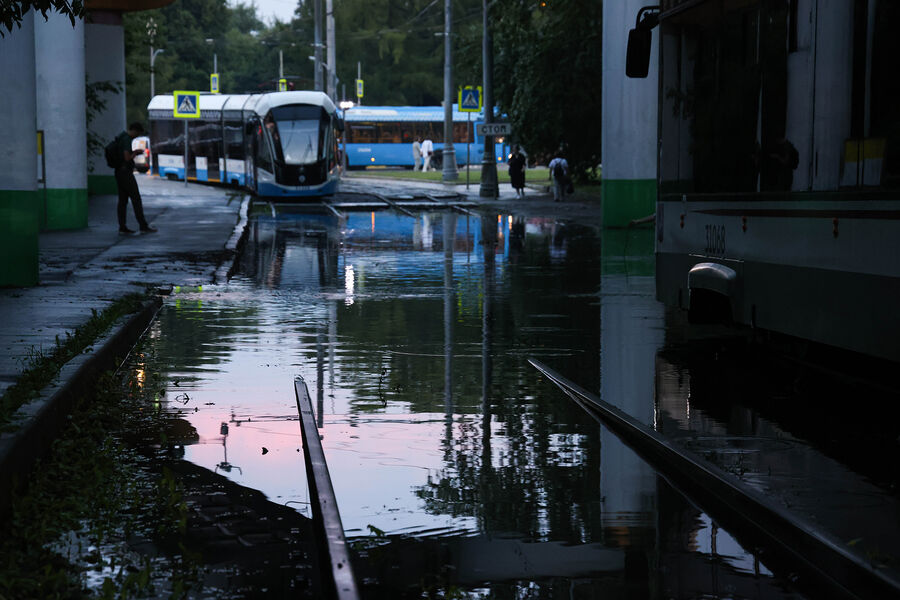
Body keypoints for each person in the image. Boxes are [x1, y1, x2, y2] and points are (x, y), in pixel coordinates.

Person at [110, 122, 156, 234]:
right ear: (135, 130)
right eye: (138, 133)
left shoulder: (120, 137)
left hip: (119, 172)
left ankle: (122, 227)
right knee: (136, 198)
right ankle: (143, 226)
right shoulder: (126, 139)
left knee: (122, 201)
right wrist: (135, 153)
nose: (137, 136)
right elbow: (127, 157)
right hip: (126, 173)